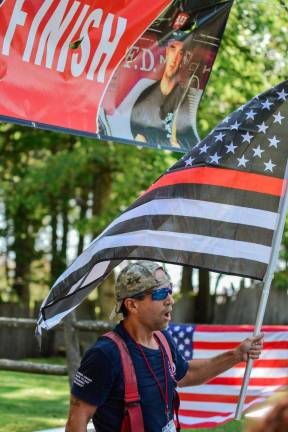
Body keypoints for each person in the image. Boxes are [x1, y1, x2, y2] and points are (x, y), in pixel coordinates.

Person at [65, 260, 264, 432]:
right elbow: (77, 420)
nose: (170, 300)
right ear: (132, 305)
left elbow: (186, 374)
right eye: (160, 293)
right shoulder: (104, 355)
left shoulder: (163, 340)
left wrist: (237, 355)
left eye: (170, 291)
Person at [130, 32, 200, 150]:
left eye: (181, 52)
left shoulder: (185, 99)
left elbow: (186, 140)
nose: (176, 56)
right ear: (167, 51)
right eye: (173, 49)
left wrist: (148, 135)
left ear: (184, 58)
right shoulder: (143, 97)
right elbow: (137, 139)